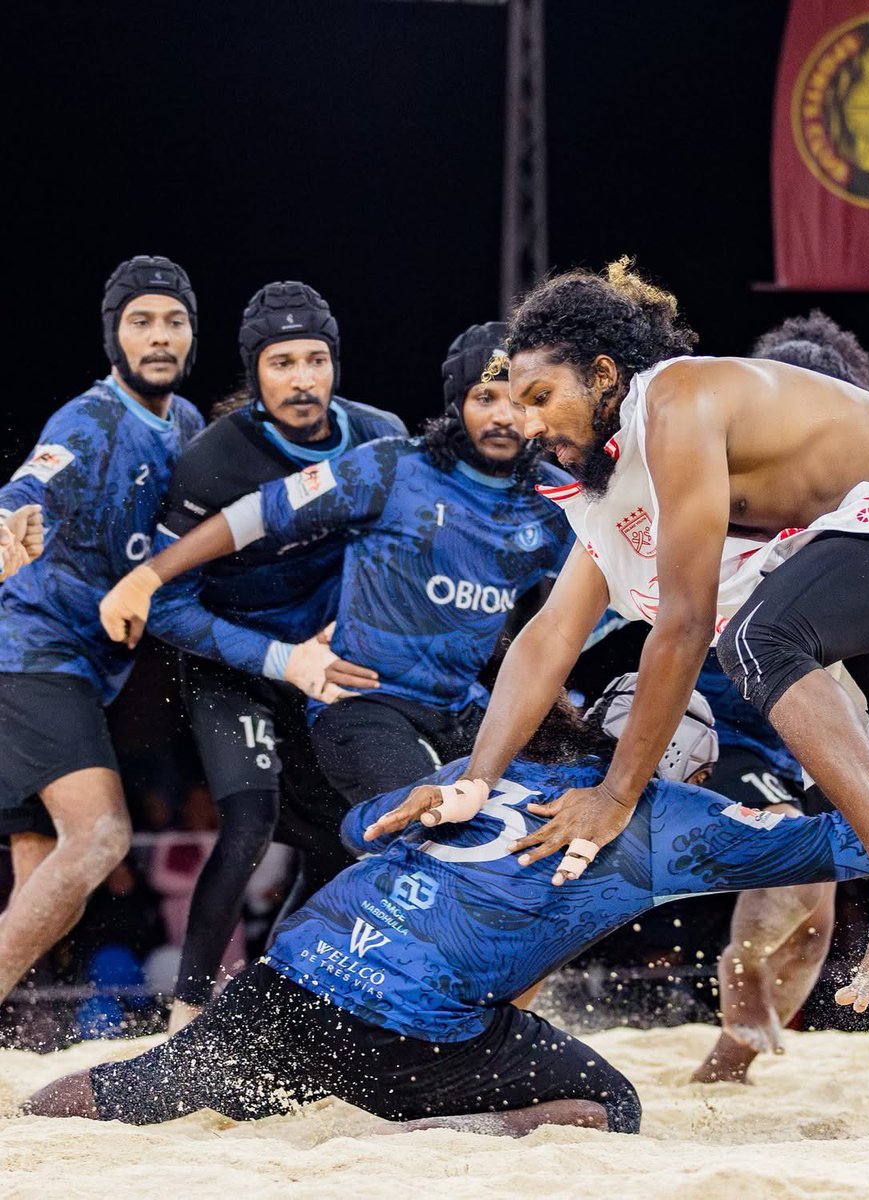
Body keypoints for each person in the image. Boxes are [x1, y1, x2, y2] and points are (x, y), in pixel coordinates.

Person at [396, 259, 869, 1029]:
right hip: (863, 552)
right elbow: (546, 640)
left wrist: (615, 795)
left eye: (541, 397)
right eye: (514, 402)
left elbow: (686, 624)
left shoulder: (672, 401)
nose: (527, 423)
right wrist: (476, 778)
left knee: (756, 641)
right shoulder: (605, 492)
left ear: (604, 376)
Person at [24, 679, 869, 1129]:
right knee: (608, 1109)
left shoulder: (504, 771)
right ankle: (435, 1136)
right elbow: (842, 840)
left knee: (119, 1091)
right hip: (409, 1037)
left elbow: (359, 829)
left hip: (294, 978)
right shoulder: (676, 816)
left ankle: (23, 1121)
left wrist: (414, 798)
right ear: (689, 759)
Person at [100, 323, 575, 808]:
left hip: (464, 702)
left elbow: (620, 584)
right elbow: (261, 511)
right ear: (457, 403)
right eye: (485, 398)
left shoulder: (557, 498)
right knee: (413, 823)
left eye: (518, 402)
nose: (503, 417)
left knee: (570, 786)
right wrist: (149, 575)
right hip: (361, 697)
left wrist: (555, 645)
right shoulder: (392, 465)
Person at [145, 281, 407, 1030]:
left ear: (335, 364)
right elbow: (164, 603)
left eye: (316, 359)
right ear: (255, 375)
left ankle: (275, 1002)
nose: (302, 379)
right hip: (233, 660)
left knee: (339, 840)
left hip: (328, 661)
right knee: (252, 821)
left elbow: (402, 546)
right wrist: (277, 656)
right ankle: (186, 1018)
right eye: (282, 362)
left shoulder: (381, 435)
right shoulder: (211, 464)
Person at [0, 255, 204, 1004]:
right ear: (113, 337)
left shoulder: (184, 424)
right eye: (139, 321)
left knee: (46, 883)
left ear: (191, 334)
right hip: (29, 651)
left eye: (173, 321)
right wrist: (8, 523)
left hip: (83, 671)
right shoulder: (87, 419)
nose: (158, 336)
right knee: (103, 838)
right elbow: (32, 483)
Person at [692, 310, 869, 1081]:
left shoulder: (865, 494)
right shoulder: (713, 470)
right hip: (709, 705)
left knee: (819, 914)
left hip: (793, 711)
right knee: (791, 863)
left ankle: (728, 1068)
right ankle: (737, 971)